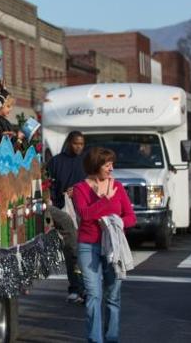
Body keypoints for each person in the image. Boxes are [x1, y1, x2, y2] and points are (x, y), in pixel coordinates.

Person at [72, 146, 136, 343]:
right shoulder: (80, 189)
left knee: (113, 297)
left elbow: (131, 217)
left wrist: (117, 223)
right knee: (93, 296)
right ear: (95, 165)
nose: (111, 169)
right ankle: (95, 340)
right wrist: (106, 200)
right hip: (88, 245)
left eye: (112, 164)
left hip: (113, 248)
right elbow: (85, 214)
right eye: (107, 165)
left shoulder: (118, 187)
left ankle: (111, 338)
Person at [46, 131, 87, 304]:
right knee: (71, 250)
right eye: (76, 143)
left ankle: (84, 288)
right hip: (63, 210)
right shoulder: (56, 161)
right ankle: (75, 287)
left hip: (82, 210)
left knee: (83, 251)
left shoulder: (85, 162)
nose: (79, 147)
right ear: (69, 142)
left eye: (82, 144)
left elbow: (91, 185)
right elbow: (49, 184)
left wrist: (78, 190)